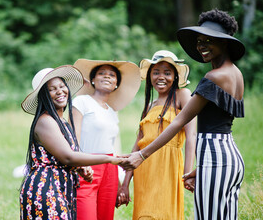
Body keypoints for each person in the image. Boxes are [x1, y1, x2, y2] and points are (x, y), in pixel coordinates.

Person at [119, 9, 245, 220]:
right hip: (225, 157)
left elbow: (179, 121)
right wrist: (202, 165)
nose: (201, 45)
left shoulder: (214, 76)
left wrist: (141, 155)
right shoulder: (235, 73)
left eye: (208, 40)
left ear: (224, 42)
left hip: (216, 158)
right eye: (199, 40)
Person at [19, 65, 122, 220]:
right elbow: (68, 156)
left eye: (62, 86)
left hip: (61, 188)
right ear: (43, 95)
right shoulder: (45, 121)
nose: (60, 91)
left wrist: (79, 168)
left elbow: (62, 157)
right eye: (52, 89)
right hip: (46, 189)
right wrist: (110, 159)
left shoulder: (61, 122)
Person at [116, 50, 196, 219]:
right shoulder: (150, 106)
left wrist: (187, 173)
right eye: (156, 72)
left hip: (168, 167)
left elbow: (192, 136)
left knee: (162, 213)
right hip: (145, 170)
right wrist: (125, 184)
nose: (161, 77)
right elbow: (138, 144)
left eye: (167, 73)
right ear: (150, 75)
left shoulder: (182, 95)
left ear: (175, 76)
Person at [71, 59, 141, 220]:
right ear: (93, 80)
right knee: (85, 214)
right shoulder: (81, 102)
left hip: (110, 169)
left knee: (105, 216)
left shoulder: (112, 111)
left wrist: (117, 182)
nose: (107, 77)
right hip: (86, 165)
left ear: (116, 83)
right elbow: (73, 138)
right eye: (101, 73)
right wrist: (81, 164)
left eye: (112, 75)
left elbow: (113, 146)